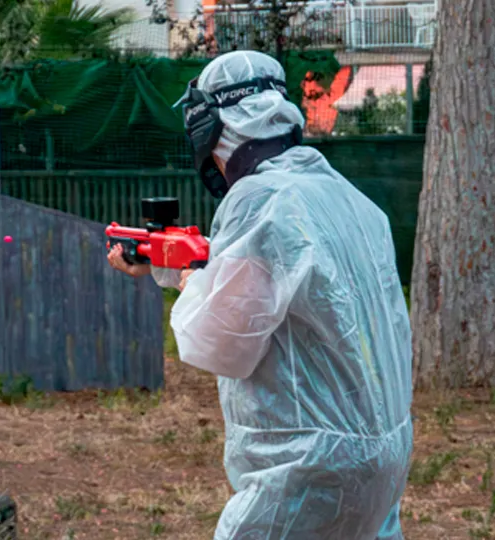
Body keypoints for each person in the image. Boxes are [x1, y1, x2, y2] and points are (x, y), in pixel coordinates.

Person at [107, 50, 413, 539]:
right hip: (383, 453)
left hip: (306, 465)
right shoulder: (345, 198)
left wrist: (190, 285)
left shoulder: (259, 199)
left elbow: (218, 342)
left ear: (207, 128)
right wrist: (174, 271)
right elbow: (282, 293)